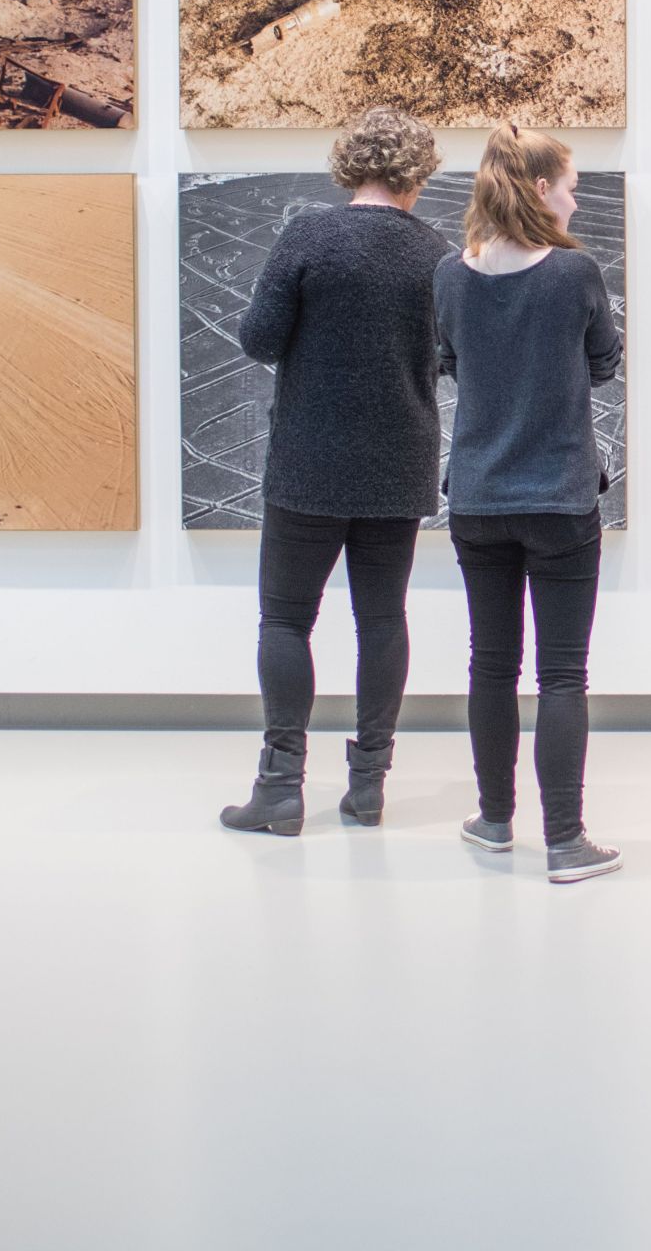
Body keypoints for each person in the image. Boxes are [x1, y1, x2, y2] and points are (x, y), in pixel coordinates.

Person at [220, 106, 446, 838]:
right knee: (382, 620)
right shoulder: (437, 253)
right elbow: (451, 358)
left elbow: (259, 340)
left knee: (287, 619)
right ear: (417, 171)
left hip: (309, 463)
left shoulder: (309, 235)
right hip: (399, 461)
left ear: (350, 163)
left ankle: (280, 787)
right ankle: (370, 786)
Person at [436, 121, 625, 882]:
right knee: (562, 675)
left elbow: (447, 360)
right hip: (559, 499)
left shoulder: (451, 275)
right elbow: (606, 364)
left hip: (478, 499)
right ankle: (565, 840)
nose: (577, 201)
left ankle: (492, 819)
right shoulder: (573, 276)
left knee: (490, 665)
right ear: (542, 189)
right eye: (572, 186)